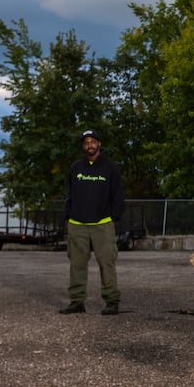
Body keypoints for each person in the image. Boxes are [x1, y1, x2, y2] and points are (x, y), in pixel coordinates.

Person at [60, 129, 125, 316]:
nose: (90, 145)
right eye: (86, 142)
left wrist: (114, 216)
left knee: (107, 263)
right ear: (83, 146)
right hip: (77, 224)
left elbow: (118, 194)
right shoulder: (76, 167)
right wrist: (69, 215)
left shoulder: (110, 167)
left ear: (99, 144)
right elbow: (69, 193)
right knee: (77, 264)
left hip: (102, 224)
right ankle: (76, 302)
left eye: (93, 142)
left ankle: (112, 301)